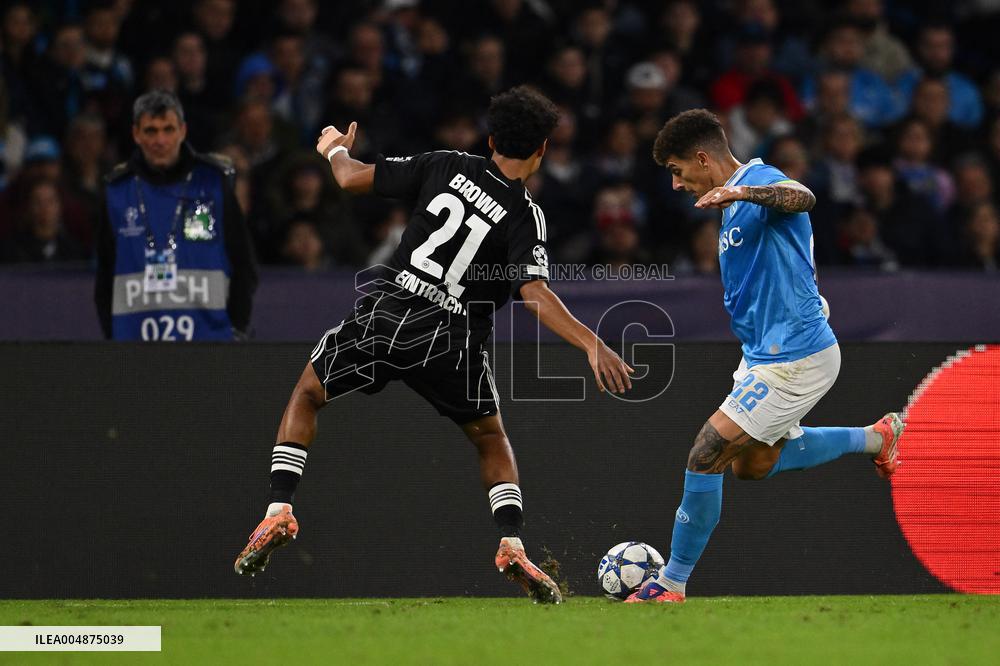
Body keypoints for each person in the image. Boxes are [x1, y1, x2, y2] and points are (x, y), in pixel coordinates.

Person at [232, 87, 634, 603]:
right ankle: (511, 542)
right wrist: (592, 344)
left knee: (308, 394)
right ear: (542, 150)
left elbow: (351, 179)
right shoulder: (525, 214)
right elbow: (533, 293)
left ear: (491, 140)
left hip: (390, 314)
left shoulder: (445, 164)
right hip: (453, 340)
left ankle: (279, 510)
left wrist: (334, 149)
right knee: (490, 438)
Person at [626, 109, 904, 603]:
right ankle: (875, 437)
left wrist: (742, 193)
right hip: (761, 355)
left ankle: (670, 583)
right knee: (751, 466)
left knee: (706, 452)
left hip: (796, 357)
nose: (675, 184)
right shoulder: (730, 205)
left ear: (702, 158)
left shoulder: (758, 181)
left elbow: (803, 197)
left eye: (676, 170)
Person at [94, 90, 257, 341]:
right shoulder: (117, 191)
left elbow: (243, 264)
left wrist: (236, 328)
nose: (160, 140)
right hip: (134, 345)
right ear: (136, 134)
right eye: (151, 131)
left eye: (168, 130)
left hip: (211, 343)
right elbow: (104, 276)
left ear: (182, 131)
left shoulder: (213, 183)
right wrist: (113, 335)